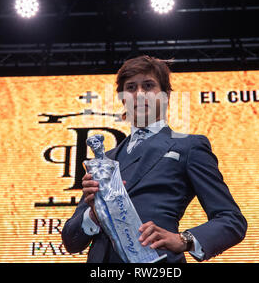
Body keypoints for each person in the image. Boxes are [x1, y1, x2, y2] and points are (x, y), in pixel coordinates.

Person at [62, 55, 247, 263]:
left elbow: (231, 220)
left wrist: (184, 240)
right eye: (131, 87)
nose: (139, 94)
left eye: (148, 86)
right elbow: (71, 241)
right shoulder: (106, 160)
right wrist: (96, 216)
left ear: (166, 95)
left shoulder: (189, 146)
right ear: (123, 98)